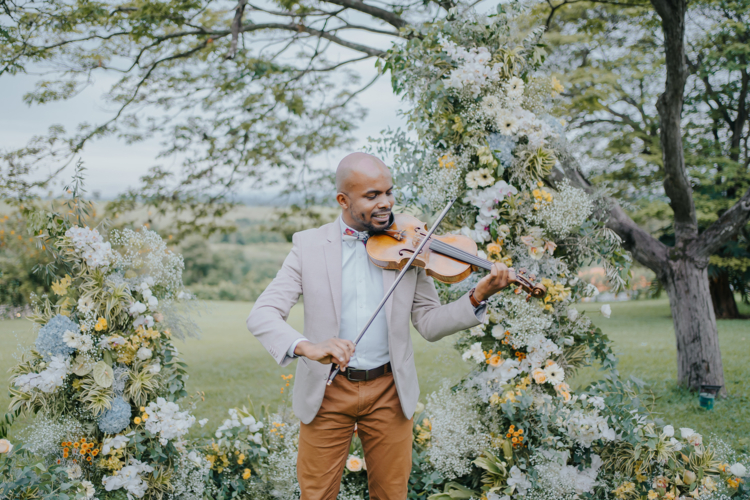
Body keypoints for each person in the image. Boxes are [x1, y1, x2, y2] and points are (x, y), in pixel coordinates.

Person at [246, 152, 513, 499]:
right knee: (316, 495)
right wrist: (309, 347)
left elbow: (429, 323)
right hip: (327, 391)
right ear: (344, 200)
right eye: (372, 196)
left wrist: (477, 297)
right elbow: (262, 314)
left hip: (389, 390)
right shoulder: (307, 246)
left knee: (391, 494)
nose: (386, 203)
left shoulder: (410, 246)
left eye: (389, 192)